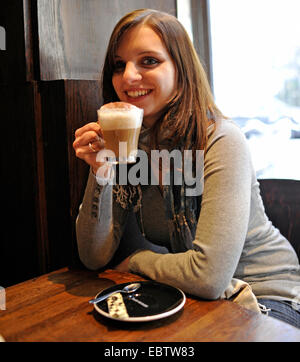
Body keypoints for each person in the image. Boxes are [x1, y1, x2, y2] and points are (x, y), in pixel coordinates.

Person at [73, 9, 300, 328]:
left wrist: (137, 262)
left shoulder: (220, 138)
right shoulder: (129, 147)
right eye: (119, 65)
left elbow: (208, 276)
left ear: (182, 70)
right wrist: (100, 173)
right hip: (200, 299)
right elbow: (93, 256)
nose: (128, 77)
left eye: (148, 61)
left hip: (268, 297)